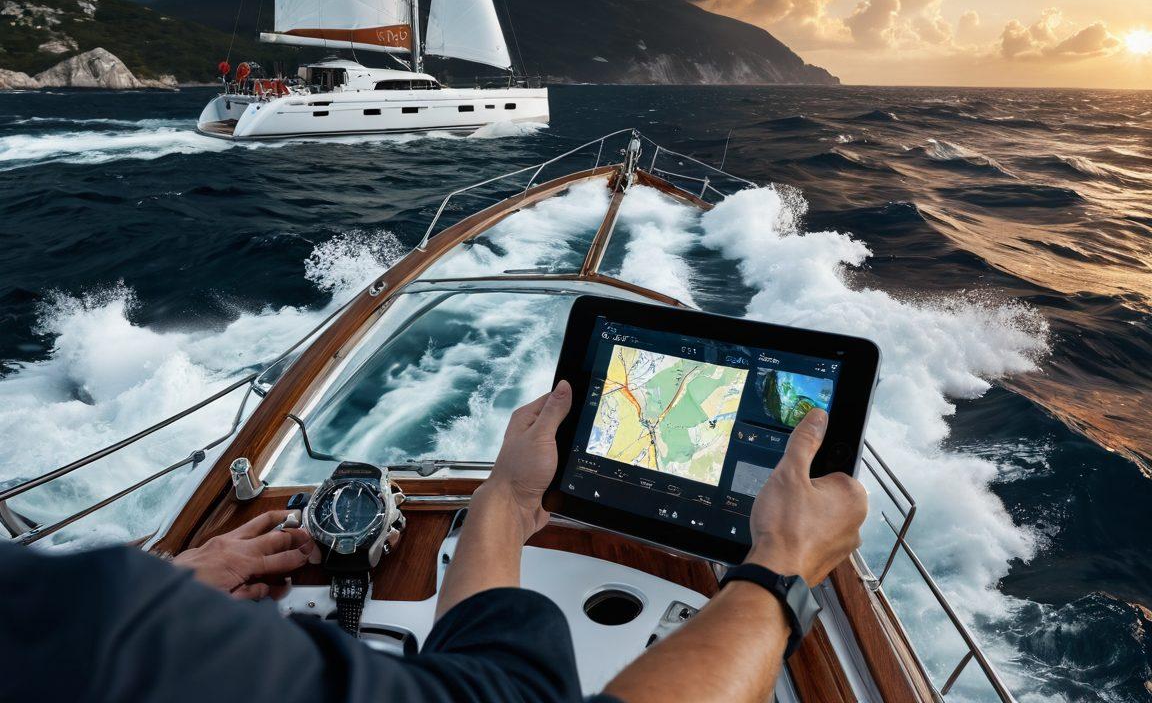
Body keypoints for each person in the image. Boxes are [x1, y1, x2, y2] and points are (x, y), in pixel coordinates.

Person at [0, 381, 866, 703]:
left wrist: (165, 586)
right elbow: (513, 686)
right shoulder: (102, 632)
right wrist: (780, 572)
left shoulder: (85, 620)